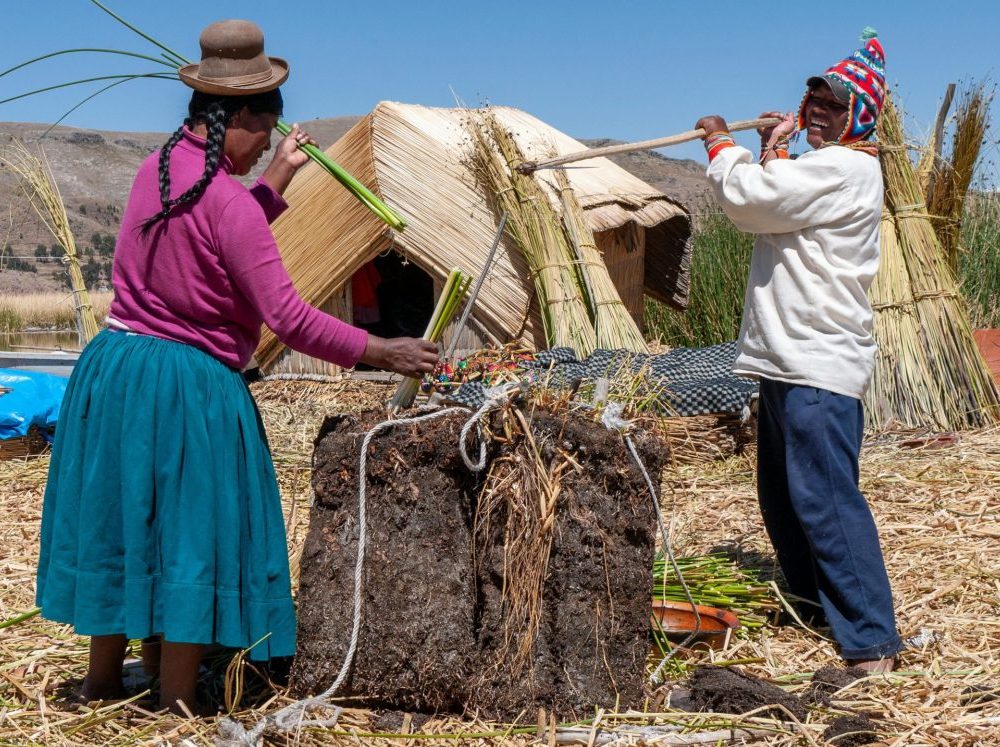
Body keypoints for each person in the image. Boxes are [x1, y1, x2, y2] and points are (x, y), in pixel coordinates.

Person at [35, 19, 438, 715]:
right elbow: (288, 316)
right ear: (239, 118)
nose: (265, 151)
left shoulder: (158, 169)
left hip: (117, 370)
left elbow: (213, 228)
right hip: (187, 386)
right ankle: (178, 701)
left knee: (129, 524)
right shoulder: (226, 200)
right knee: (190, 532)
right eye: (265, 135)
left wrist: (277, 178)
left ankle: (100, 682)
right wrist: (384, 350)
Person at [694, 30, 902, 672]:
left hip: (816, 362)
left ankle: (871, 638)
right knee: (784, 495)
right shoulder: (823, 169)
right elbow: (781, 198)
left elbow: (754, 203)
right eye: (811, 98)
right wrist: (770, 149)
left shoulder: (848, 167)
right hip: (787, 360)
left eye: (833, 105)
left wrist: (719, 143)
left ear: (858, 117)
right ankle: (815, 604)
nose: (816, 109)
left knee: (826, 499)